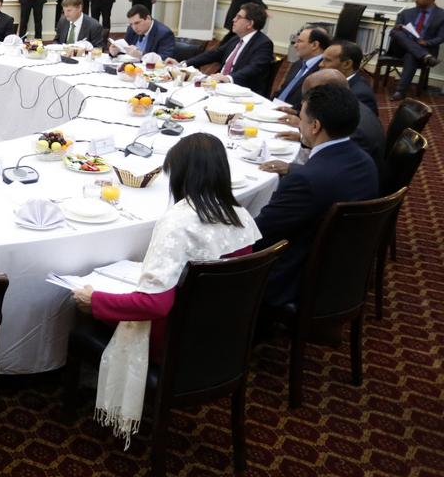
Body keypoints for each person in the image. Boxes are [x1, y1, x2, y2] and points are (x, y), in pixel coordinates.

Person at [71, 134, 260, 442]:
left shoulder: (178, 221)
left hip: (176, 340)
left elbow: (154, 305)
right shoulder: (240, 214)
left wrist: (96, 301)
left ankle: (96, 386)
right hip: (225, 334)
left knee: (84, 309)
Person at [254, 83, 378, 307]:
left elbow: (259, 234)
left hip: (294, 280)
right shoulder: (365, 162)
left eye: (301, 119)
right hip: (345, 272)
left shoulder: (305, 181)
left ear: (315, 126)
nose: (299, 125)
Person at [260, 69, 386, 184]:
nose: (304, 101)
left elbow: (334, 172)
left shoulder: (354, 130)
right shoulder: (351, 109)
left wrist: (291, 169)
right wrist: (303, 137)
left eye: (313, 95)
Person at [180, 2, 275, 97]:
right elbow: (214, 54)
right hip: (219, 86)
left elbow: (253, 68)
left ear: (250, 24)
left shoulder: (263, 44)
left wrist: (228, 78)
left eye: (239, 17)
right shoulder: (235, 39)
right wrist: (184, 64)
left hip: (241, 93)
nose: (234, 20)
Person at [387, 0, 442, 101]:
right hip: (401, 48)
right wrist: (400, 28)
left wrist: (425, 43)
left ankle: (400, 91)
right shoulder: (406, 13)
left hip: (425, 47)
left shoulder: (441, 15)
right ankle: (424, 56)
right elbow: (395, 31)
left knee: (411, 55)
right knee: (395, 31)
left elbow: (441, 37)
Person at [272, 26, 330, 110]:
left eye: (299, 41)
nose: (295, 45)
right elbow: (283, 90)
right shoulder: (298, 63)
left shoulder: (323, 70)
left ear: (314, 45)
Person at [320, 40, 377, 115]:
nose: (320, 64)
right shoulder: (330, 81)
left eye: (327, 60)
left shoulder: (359, 95)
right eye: (322, 59)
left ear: (347, 64)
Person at [109, 5, 175, 60]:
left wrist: (142, 55)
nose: (134, 28)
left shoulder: (164, 33)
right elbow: (125, 50)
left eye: (137, 23)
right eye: (131, 24)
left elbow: (165, 59)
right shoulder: (131, 29)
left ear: (148, 18)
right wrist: (116, 51)